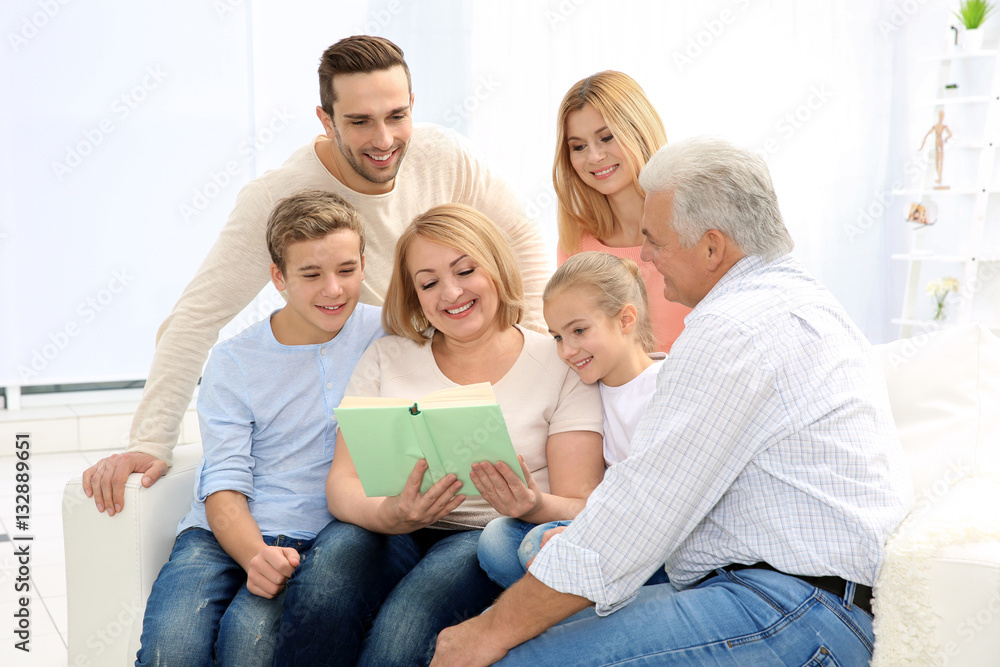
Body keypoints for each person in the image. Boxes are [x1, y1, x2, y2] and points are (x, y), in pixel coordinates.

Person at [432, 136, 914, 666]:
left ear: (712, 247)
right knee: (519, 550)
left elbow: (637, 517)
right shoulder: (799, 298)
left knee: (507, 657)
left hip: (795, 611)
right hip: (795, 597)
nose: (644, 257)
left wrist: (487, 632)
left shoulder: (732, 331)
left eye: (655, 240)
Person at [82, 35, 549, 516]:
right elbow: (196, 317)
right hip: (376, 410)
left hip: (461, 381)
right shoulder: (279, 196)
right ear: (326, 121)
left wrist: (530, 343)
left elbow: (521, 234)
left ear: (412, 106)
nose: (384, 140)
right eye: (360, 122)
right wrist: (151, 440)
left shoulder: (445, 155)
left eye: (396, 116)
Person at [274, 203, 604, 667]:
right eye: (428, 283)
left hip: (487, 533)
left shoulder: (558, 362)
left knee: (403, 628)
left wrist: (533, 506)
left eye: (465, 270)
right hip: (390, 528)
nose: (450, 293)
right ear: (414, 295)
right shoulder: (387, 357)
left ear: (495, 269)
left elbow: (583, 504)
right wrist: (391, 514)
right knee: (326, 582)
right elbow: (341, 485)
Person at [135, 190, 385, 666]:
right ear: (279, 277)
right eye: (310, 274)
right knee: (173, 651)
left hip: (314, 538)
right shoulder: (235, 360)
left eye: (347, 271)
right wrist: (253, 555)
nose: (333, 290)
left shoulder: (387, 330)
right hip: (217, 532)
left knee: (247, 649)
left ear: (363, 264)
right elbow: (223, 480)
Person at [477, 251, 669, 589]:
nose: (566, 350)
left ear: (626, 320)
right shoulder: (583, 389)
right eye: (557, 337)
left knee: (539, 546)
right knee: (499, 538)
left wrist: (588, 535)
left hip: (656, 541)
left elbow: (662, 505)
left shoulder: (667, 386)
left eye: (579, 331)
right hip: (604, 531)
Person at [554, 70, 690, 352]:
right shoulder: (576, 244)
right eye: (578, 146)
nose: (594, 156)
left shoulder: (694, 223)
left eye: (607, 138)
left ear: (639, 131)